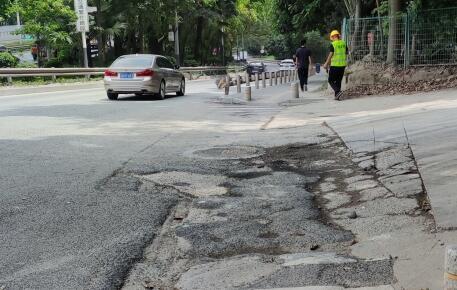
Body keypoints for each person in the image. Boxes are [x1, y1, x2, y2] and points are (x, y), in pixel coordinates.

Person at [323, 30, 348, 100]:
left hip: (335, 66)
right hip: (342, 65)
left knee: (330, 80)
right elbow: (346, 53)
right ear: (338, 35)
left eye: (332, 37)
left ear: (333, 37)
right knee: (338, 81)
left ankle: (337, 91)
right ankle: (337, 96)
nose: (332, 39)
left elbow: (330, 55)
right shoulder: (344, 43)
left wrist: (326, 64)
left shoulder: (333, 44)